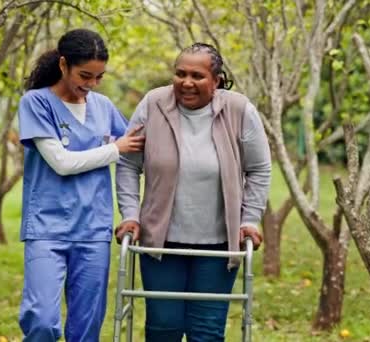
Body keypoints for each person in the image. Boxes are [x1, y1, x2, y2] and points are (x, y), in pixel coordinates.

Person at [115, 43, 271, 342]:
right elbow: (127, 164)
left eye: (197, 76)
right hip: (160, 243)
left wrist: (249, 219)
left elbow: (259, 169)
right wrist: (130, 215)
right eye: (180, 73)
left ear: (217, 80)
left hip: (218, 244)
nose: (186, 82)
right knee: (163, 328)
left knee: (207, 332)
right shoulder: (153, 104)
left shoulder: (240, 110)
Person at [17, 28, 144, 342]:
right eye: (85, 75)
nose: (91, 85)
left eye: (99, 77)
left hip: (93, 230)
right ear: (63, 65)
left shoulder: (103, 107)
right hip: (47, 228)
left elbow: (138, 148)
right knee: (42, 320)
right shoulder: (36, 103)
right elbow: (61, 162)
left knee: (87, 326)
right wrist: (115, 148)